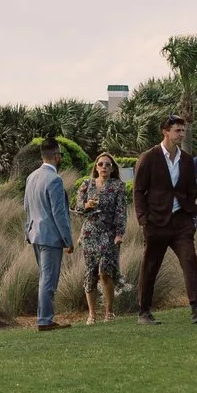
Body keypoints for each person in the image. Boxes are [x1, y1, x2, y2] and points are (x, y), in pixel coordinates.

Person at [130, 116, 197, 325]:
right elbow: (138, 190)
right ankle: (144, 312)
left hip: (181, 222)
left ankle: (196, 307)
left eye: (183, 130)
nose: (181, 134)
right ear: (165, 132)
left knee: (190, 259)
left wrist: (190, 212)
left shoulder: (186, 159)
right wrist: (143, 220)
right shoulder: (149, 157)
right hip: (155, 222)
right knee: (150, 266)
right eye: (177, 130)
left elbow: (190, 188)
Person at [22, 141, 73, 331]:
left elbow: (26, 207)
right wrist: (68, 240)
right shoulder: (54, 179)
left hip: (35, 233)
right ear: (57, 156)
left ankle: (44, 318)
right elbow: (59, 214)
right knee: (49, 279)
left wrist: (28, 231)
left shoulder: (31, 177)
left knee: (44, 276)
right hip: (51, 237)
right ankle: (45, 320)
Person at [73, 152, 127, 325]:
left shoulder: (118, 186)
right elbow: (78, 208)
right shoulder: (86, 185)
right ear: (95, 167)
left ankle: (109, 312)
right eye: (101, 164)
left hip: (109, 233)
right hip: (89, 233)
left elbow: (121, 212)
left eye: (108, 165)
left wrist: (119, 233)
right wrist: (87, 205)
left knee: (104, 271)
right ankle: (91, 314)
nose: (104, 167)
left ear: (112, 169)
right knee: (90, 272)